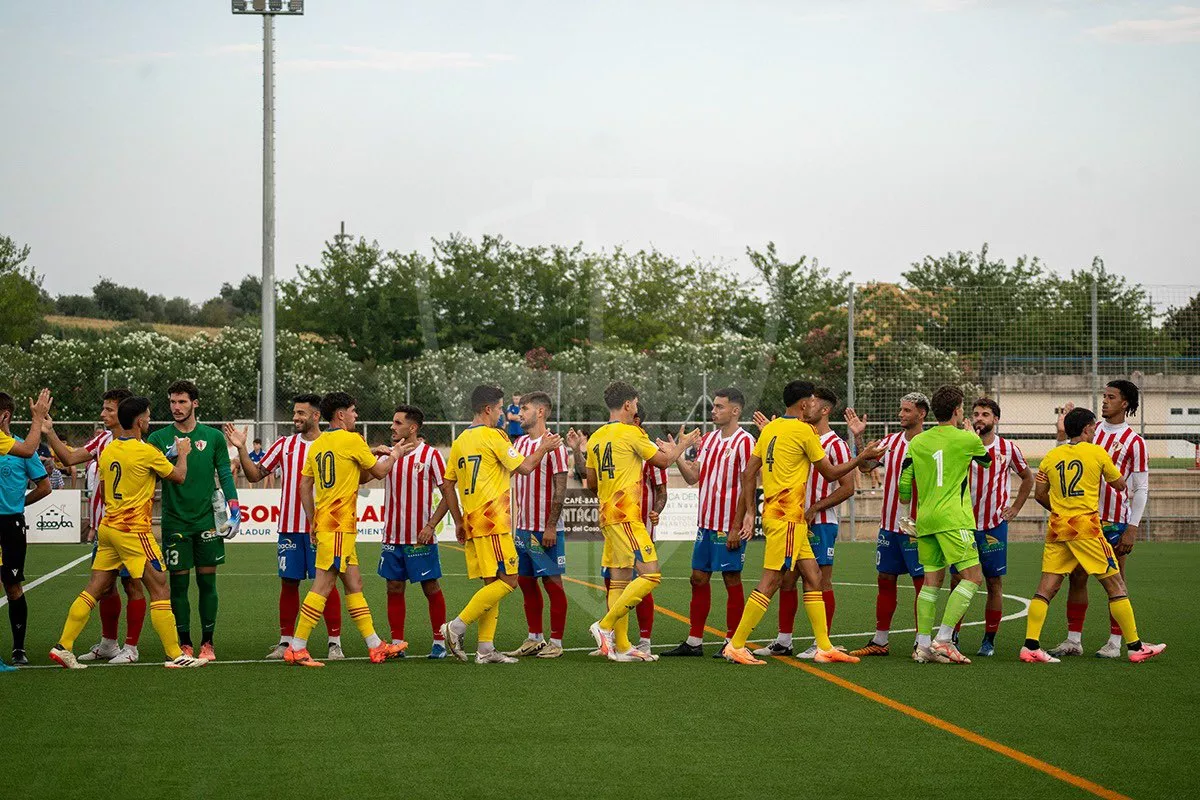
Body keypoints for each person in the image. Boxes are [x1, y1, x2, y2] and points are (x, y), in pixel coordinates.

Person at [722, 381, 882, 665]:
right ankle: (735, 644)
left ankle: (823, 646)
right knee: (771, 581)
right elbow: (832, 474)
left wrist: (749, 511)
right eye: (810, 400)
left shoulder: (770, 429)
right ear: (804, 403)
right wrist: (862, 457)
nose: (812, 404)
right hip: (787, 520)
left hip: (782, 517)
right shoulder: (803, 431)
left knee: (813, 577)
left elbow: (748, 473)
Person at [49, 396, 206, 669]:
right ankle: (175, 655)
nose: (148, 420)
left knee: (94, 589)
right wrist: (183, 452)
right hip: (134, 531)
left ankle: (64, 646)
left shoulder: (107, 450)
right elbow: (179, 477)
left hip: (108, 528)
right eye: (146, 416)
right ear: (139, 421)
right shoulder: (146, 451)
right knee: (159, 587)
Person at [1020, 407, 1164, 665]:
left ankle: (1031, 646)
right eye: (1094, 428)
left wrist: (1060, 510)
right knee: (1115, 585)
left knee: (1046, 588)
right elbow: (1119, 484)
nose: (1096, 431)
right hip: (1087, 528)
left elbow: (1039, 494)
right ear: (1087, 429)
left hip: (1057, 528)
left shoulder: (1051, 457)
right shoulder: (1098, 452)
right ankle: (1134, 647)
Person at [284, 392, 413, 667]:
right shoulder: (352, 440)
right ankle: (296, 646)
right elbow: (379, 473)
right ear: (341, 414)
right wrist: (396, 455)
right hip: (339, 527)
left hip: (330, 526)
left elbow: (306, 486)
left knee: (354, 584)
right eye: (353, 411)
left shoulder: (318, 445)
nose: (356, 415)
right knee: (324, 584)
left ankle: (375, 645)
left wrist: (312, 521)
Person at [439, 385, 562, 664]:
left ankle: (485, 649)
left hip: (472, 521)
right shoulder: (493, 436)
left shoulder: (460, 441)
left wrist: (458, 521)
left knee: (491, 583)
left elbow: (448, 485)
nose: (504, 414)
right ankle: (456, 626)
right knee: (509, 581)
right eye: (500, 409)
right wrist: (544, 446)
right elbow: (526, 467)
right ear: (487, 409)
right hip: (493, 521)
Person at [577, 381, 699, 663]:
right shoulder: (631, 433)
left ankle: (621, 646)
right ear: (629, 405)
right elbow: (664, 461)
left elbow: (592, 483)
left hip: (606, 515)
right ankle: (604, 625)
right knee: (651, 574)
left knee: (619, 580)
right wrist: (683, 444)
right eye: (635, 401)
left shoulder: (595, 437)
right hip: (626, 516)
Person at [225, 394, 344, 660]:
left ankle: (334, 642)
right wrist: (242, 449)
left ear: (315, 416)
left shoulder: (332, 444)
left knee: (326, 584)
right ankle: (285, 641)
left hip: (323, 528)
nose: (295, 418)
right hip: (290, 528)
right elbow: (255, 475)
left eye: (301, 413)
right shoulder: (284, 444)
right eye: (294, 413)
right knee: (289, 583)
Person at [42, 388, 147, 664]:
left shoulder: (140, 445)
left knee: (133, 585)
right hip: (106, 531)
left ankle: (131, 648)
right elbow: (69, 458)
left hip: (130, 530)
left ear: (124, 412)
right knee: (105, 588)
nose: (102, 414)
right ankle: (109, 643)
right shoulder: (101, 441)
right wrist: (50, 431)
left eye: (109, 409)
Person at [1049, 380, 1149, 659]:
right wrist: (1061, 431)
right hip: (1082, 519)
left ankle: (1116, 642)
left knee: (1116, 579)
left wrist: (1132, 528)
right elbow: (1061, 459)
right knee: (1076, 577)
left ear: (1125, 403)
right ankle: (1073, 640)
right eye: (1104, 396)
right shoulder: (1090, 430)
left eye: (1111, 397)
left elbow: (1141, 488)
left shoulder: (1135, 442)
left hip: (1114, 520)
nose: (1104, 401)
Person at [755, 387, 854, 659]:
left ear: (824, 410)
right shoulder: (798, 434)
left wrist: (815, 508)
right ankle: (784, 640)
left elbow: (847, 487)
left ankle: (822, 643)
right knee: (787, 580)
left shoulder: (836, 445)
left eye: (812, 404)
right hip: (793, 521)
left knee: (821, 580)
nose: (806, 408)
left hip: (821, 522)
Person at [897, 386, 992, 665]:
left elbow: (905, 481)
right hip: (953, 519)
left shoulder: (917, 442)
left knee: (931, 582)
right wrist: (973, 437)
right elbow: (987, 462)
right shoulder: (966, 439)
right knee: (973, 577)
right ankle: (945, 639)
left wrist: (905, 514)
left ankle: (923, 645)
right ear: (956, 410)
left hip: (924, 520)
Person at [146, 380, 240, 661]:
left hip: (207, 522)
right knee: (178, 585)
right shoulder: (157, 438)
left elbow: (224, 473)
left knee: (208, 583)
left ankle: (207, 643)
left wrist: (234, 509)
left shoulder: (212, 437)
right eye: (172, 402)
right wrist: (169, 454)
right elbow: (151, 471)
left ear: (195, 403)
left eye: (182, 402)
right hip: (175, 521)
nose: (176, 407)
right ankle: (184, 643)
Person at [662, 387, 754, 658]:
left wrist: (737, 525)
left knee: (731, 577)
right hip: (706, 523)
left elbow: (747, 485)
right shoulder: (710, 440)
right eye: (713, 406)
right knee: (698, 578)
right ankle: (694, 641)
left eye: (719, 407)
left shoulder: (745, 441)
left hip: (729, 524)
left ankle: (732, 642)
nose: (713, 411)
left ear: (735, 411)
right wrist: (678, 454)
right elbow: (693, 477)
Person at [844, 392, 930, 657]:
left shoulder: (931, 443)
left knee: (921, 583)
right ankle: (880, 641)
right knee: (885, 578)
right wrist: (858, 436)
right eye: (900, 410)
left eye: (906, 410)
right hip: (890, 526)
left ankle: (922, 641)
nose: (901, 414)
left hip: (918, 527)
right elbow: (867, 467)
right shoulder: (891, 441)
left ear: (921, 414)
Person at [951, 397, 1033, 656]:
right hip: (963, 525)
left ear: (996, 419)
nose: (979, 418)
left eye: (985, 414)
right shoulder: (961, 445)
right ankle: (952, 635)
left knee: (994, 582)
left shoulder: (1008, 448)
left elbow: (1027, 477)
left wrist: (1016, 507)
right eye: (976, 414)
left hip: (993, 525)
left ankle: (989, 640)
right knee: (957, 581)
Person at [376, 404, 452, 660]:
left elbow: (448, 495)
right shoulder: (388, 455)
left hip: (420, 538)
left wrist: (430, 525)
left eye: (397, 423)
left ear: (413, 428)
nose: (392, 427)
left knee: (430, 587)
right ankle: (397, 642)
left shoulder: (431, 456)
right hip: (392, 537)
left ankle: (440, 641)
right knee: (394, 587)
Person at [505, 391, 570, 659]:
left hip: (546, 529)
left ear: (540, 412)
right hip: (522, 528)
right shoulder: (519, 444)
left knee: (552, 583)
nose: (520, 414)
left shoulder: (554, 444)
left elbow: (561, 488)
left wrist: (551, 526)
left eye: (525, 409)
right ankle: (535, 637)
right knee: (526, 582)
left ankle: (556, 641)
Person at [0, 392, 52, 668]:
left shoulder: (19, 448)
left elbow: (44, 486)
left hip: (10, 523)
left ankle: (18, 648)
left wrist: (18, 503)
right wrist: (38, 418)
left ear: (4, 415)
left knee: (13, 585)